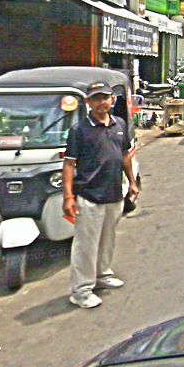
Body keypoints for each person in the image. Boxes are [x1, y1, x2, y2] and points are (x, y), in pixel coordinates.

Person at [62, 81, 141, 310]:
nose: (101, 103)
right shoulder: (79, 130)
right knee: (86, 246)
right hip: (89, 196)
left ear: (112, 100)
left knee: (107, 240)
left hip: (114, 194)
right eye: (96, 98)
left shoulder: (119, 124)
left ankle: (102, 274)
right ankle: (81, 291)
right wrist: (68, 197)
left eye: (105, 97)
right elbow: (69, 164)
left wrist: (132, 182)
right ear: (88, 102)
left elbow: (125, 156)